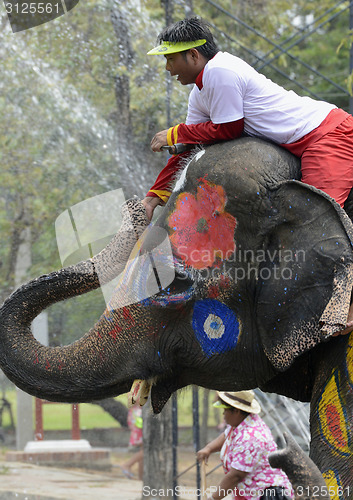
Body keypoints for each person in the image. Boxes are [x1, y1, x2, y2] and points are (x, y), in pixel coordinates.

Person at [144, 16, 353, 335]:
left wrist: (174, 132)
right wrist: (153, 197)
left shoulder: (221, 72)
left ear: (193, 55)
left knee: (317, 222)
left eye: (171, 59)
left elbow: (229, 128)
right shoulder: (199, 92)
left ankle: (347, 305)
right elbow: (191, 147)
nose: (168, 68)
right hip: (304, 143)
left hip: (325, 135)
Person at [197, 391, 293, 500]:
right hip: (250, 493)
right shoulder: (240, 423)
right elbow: (226, 436)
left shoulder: (251, 438)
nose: (223, 414)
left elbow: (235, 476)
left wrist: (213, 498)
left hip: (267, 494)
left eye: (225, 410)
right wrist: (208, 449)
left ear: (236, 411)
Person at [120, 402, 143, 480]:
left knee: (143, 453)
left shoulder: (134, 410)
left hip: (138, 424)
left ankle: (141, 477)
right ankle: (127, 465)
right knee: (146, 451)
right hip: (140, 426)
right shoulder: (137, 409)